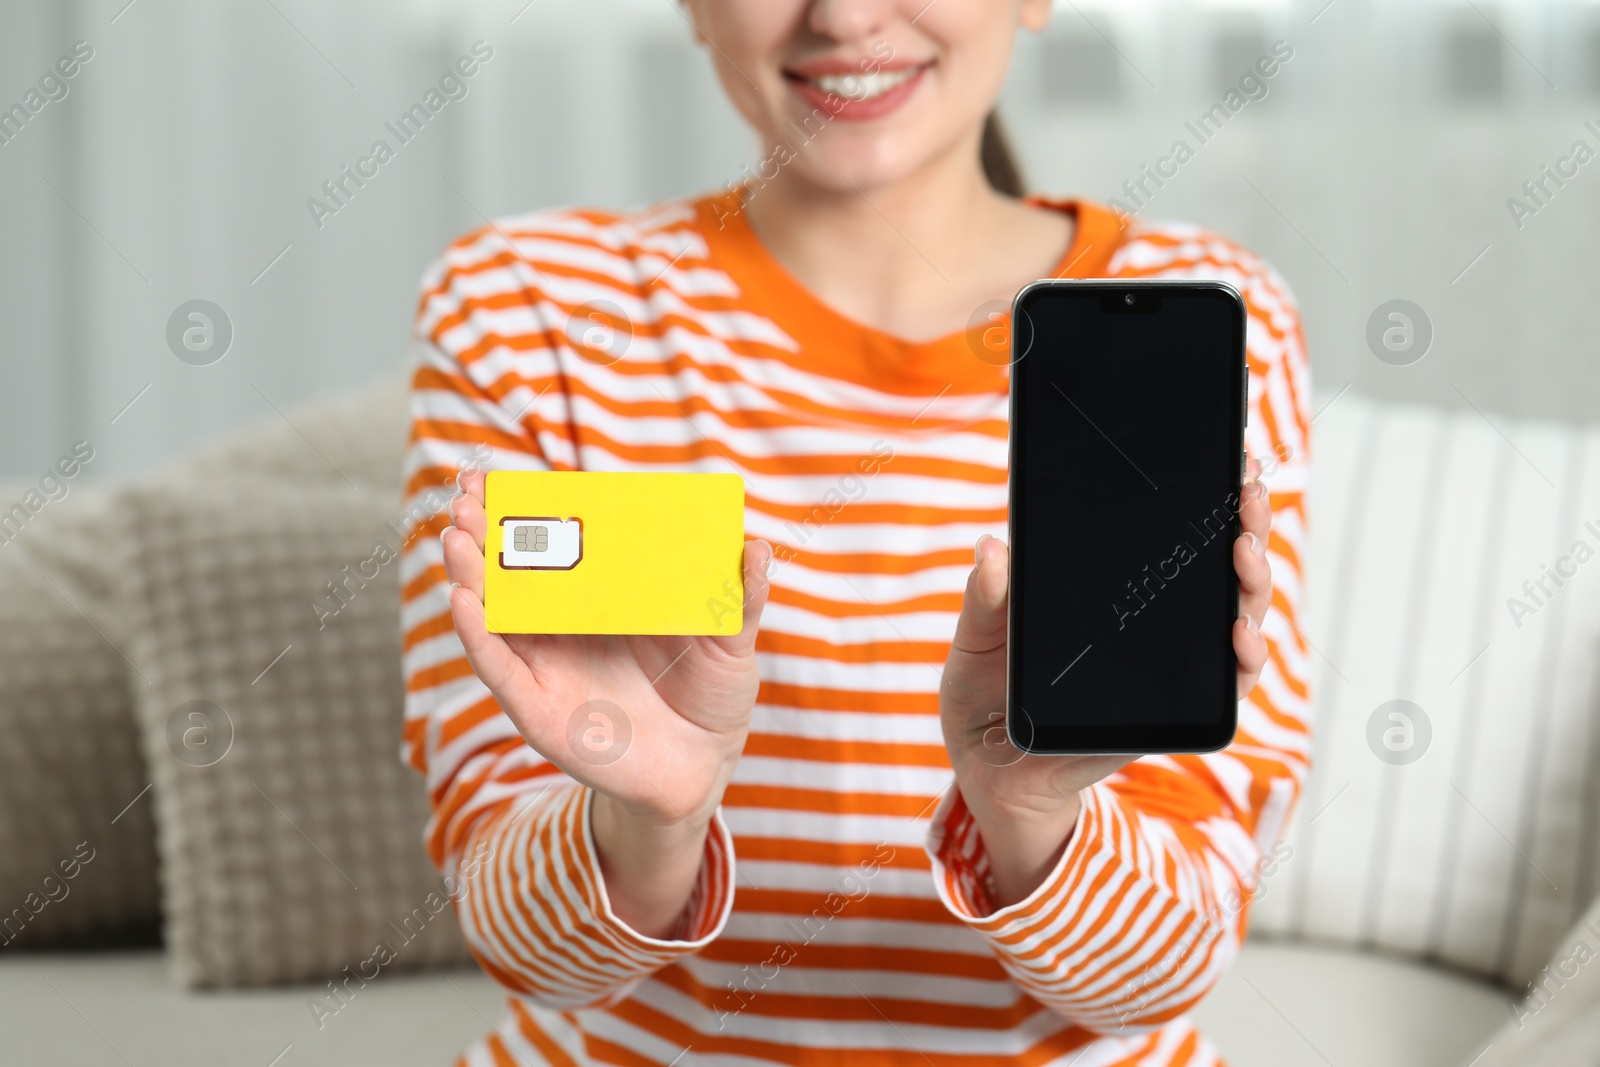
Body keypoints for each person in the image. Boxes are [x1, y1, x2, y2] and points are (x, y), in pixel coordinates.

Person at [402, 1, 1310, 1063]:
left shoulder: (1201, 319)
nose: (841, 13)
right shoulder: (526, 308)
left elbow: (1166, 967)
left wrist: (1025, 809)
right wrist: (643, 821)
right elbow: (523, 949)